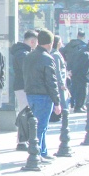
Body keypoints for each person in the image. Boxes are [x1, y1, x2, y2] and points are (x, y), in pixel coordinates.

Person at [22, 29, 62, 160]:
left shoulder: (29, 55)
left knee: (36, 125)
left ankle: (42, 151)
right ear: (50, 44)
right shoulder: (47, 58)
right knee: (41, 126)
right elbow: (52, 82)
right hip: (43, 96)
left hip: (30, 94)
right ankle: (37, 153)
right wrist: (57, 102)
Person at [9, 30, 37, 150]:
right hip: (23, 87)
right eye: (36, 43)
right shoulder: (23, 53)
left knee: (24, 112)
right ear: (32, 41)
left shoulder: (22, 51)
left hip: (22, 86)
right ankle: (21, 141)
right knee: (24, 113)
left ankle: (23, 140)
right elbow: (27, 70)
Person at [70, 41, 89, 112]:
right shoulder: (86, 54)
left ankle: (81, 105)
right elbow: (83, 67)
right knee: (82, 92)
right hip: (82, 77)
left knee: (80, 91)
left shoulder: (81, 52)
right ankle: (79, 106)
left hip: (79, 76)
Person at [51, 35, 68, 116]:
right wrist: (61, 83)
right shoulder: (56, 54)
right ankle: (63, 115)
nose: (62, 43)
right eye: (61, 41)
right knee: (62, 100)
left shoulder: (55, 53)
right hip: (59, 82)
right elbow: (57, 70)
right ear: (57, 43)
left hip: (60, 80)